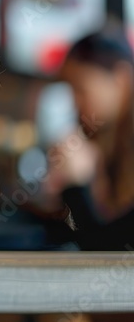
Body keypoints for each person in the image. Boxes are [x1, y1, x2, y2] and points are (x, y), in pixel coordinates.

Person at [45, 27, 134, 252]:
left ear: (121, 79)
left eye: (81, 90)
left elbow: (107, 251)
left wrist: (76, 185)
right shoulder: (107, 142)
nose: (75, 104)